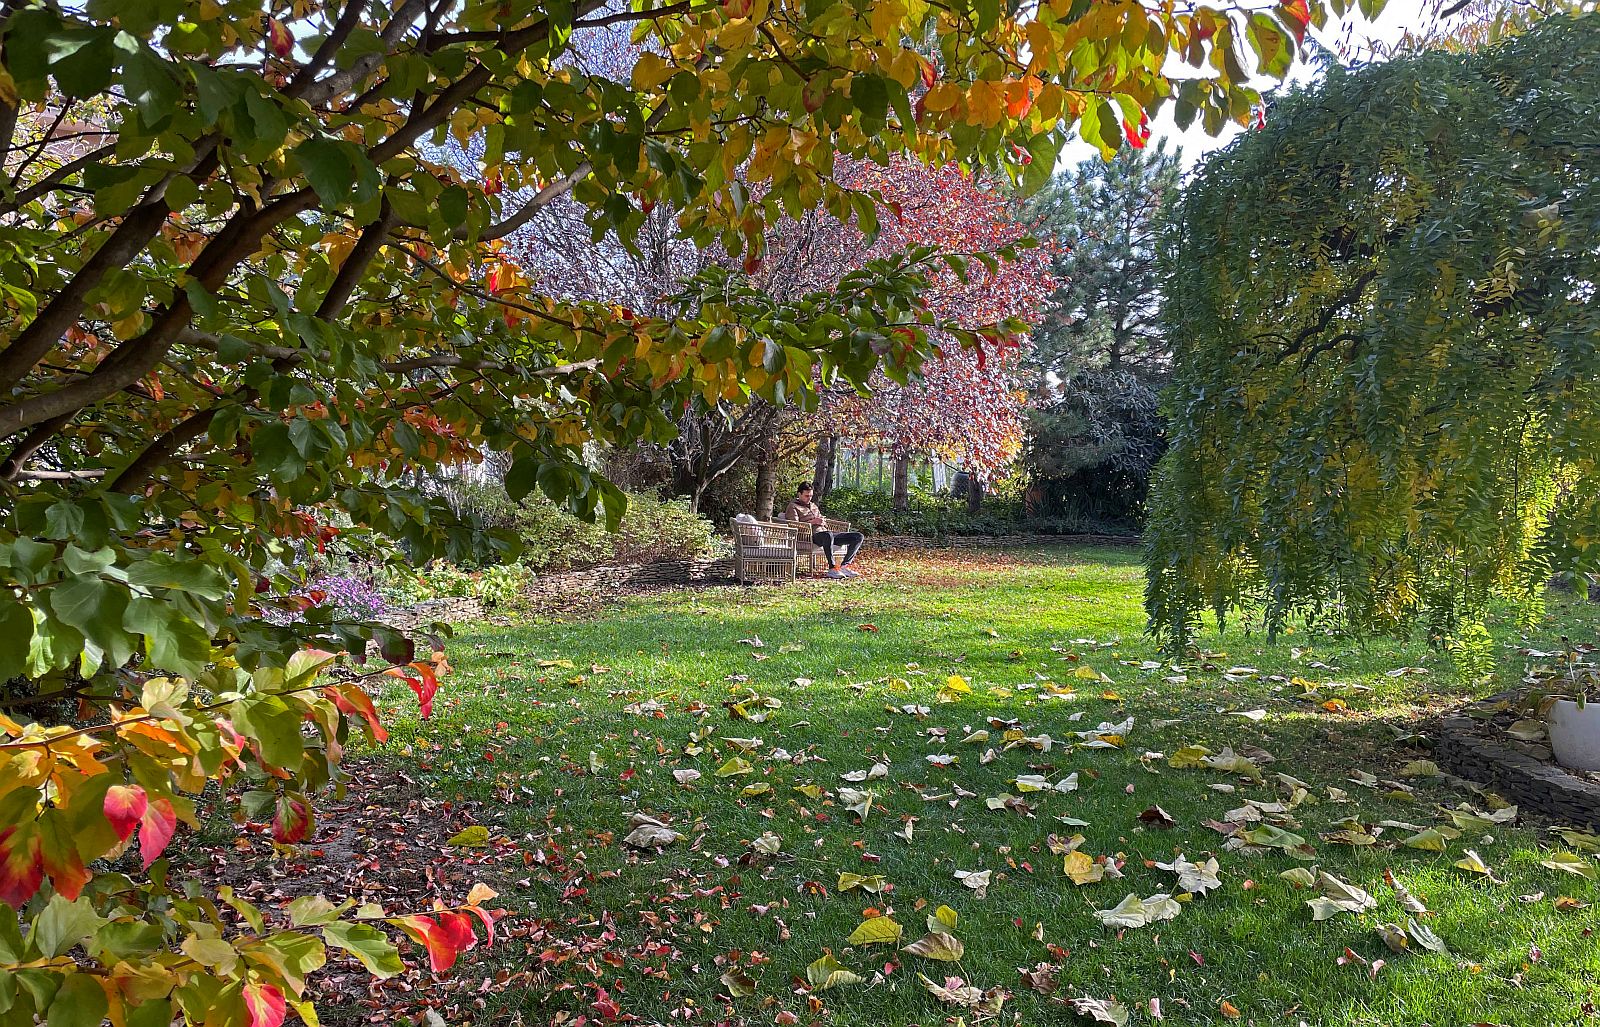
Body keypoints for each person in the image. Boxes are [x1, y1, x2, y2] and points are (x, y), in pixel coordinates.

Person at [784, 482, 864, 579]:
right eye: (806, 496)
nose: (809, 498)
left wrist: (823, 521)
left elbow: (821, 519)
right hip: (810, 536)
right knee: (827, 535)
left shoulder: (813, 506)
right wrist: (812, 522)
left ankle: (844, 566)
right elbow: (793, 525)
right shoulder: (793, 506)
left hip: (826, 533)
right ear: (799, 494)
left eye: (811, 496)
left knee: (858, 536)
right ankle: (832, 569)